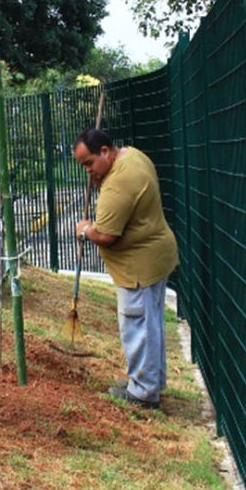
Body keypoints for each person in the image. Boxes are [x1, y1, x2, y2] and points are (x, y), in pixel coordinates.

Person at [73, 128, 178, 409]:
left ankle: (143, 393)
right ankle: (149, 384)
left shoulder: (119, 182)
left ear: (105, 152)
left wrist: (85, 231)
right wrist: (99, 177)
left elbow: (106, 234)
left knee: (138, 328)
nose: (88, 171)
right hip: (155, 256)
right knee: (151, 326)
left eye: (89, 163)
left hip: (138, 268)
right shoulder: (133, 156)